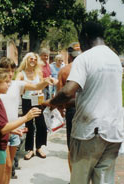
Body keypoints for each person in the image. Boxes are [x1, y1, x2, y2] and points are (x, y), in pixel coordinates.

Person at [43, 21, 124, 184]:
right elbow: (94, 95)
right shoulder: (115, 58)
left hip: (89, 132)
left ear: (85, 37)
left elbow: (67, 92)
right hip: (114, 131)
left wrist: (52, 102)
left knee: (80, 179)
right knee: (103, 180)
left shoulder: (85, 58)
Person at [0, 57, 52, 184]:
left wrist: (12, 131)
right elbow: (0, 126)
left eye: (13, 70)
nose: (10, 77)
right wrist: (26, 117)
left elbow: (35, 86)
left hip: (8, 132)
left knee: (8, 166)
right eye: (7, 72)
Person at [16, 52, 49, 160]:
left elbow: (40, 86)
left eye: (35, 59)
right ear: (26, 60)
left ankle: (39, 147)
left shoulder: (38, 72)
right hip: (26, 101)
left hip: (36, 100)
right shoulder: (21, 73)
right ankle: (30, 150)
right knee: (29, 125)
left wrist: (39, 92)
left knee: (41, 124)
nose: (33, 61)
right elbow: (17, 87)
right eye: (31, 59)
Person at [56, 44, 81, 174]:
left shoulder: (64, 70)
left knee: (72, 147)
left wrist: (60, 109)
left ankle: (74, 179)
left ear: (69, 55)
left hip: (71, 110)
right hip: (88, 109)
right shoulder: (89, 68)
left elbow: (60, 94)